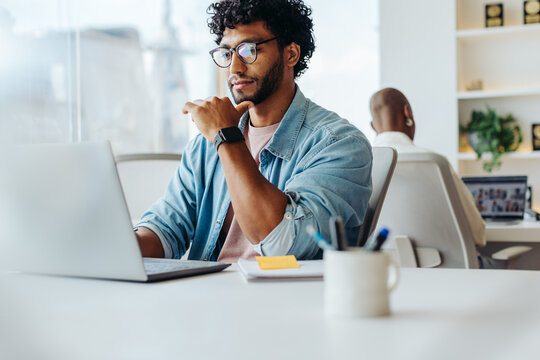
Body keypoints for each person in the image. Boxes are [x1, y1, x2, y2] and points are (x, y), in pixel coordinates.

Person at [134, 0, 372, 262]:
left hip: (285, 298)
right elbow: (166, 229)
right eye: (227, 54)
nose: (234, 68)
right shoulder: (205, 145)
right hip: (206, 295)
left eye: (249, 50)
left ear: (290, 54)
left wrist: (226, 137)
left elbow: (283, 245)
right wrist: (122, 244)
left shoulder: (338, 144)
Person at [369, 87, 486, 249]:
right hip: (453, 272)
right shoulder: (433, 162)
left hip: (385, 270)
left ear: (373, 126)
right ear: (407, 113)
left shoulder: (365, 164)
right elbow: (477, 233)